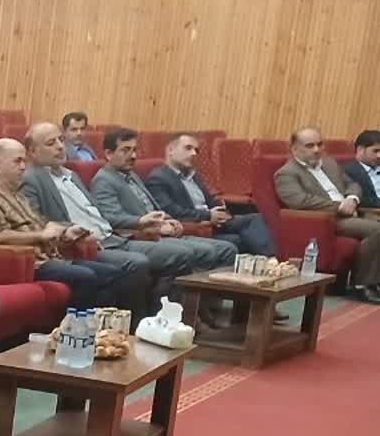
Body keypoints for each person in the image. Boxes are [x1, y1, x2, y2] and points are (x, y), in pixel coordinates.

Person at [0, 138, 140, 311]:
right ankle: (77, 326)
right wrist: (41, 235)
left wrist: (66, 234)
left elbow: (44, 229)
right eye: (17, 161)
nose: (23, 167)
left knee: (112, 274)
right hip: (28, 265)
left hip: (52, 257)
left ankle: (101, 325)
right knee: (85, 277)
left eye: (24, 161)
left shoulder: (19, 196)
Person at [87, 127, 237, 305]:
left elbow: (151, 207)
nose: (133, 155)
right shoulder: (104, 180)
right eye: (125, 150)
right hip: (133, 237)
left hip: (156, 232)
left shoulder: (131, 175)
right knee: (185, 254)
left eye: (134, 150)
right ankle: (165, 312)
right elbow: (111, 217)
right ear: (109, 154)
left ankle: (207, 308)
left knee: (227, 249)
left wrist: (169, 220)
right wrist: (143, 222)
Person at [276, 126, 380, 297]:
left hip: (351, 211)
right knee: (377, 229)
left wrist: (352, 198)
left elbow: (352, 184)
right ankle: (361, 285)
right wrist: (339, 207)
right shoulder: (287, 173)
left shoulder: (329, 164)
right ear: (295, 149)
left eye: (319, 144)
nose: (317, 150)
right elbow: (299, 201)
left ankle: (375, 281)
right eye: (310, 146)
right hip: (327, 219)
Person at [146, 132, 275, 257]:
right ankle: (273, 260)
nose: (193, 153)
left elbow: (210, 201)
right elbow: (172, 211)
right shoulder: (158, 178)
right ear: (171, 150)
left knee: (256, 219)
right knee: (242, 238)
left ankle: (272, 260)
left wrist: (220, 210)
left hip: (214, 223)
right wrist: (209, 215)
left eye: (196, 150)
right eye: (188, 148)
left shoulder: (193, 176)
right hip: (196, 226)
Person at [343, 129, 380, 210]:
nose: (379, 156)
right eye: (376, 151)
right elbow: (362, 199)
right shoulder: (348, 171)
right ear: (360, 150)